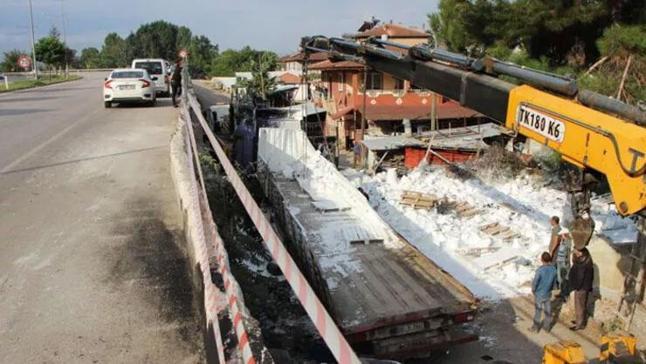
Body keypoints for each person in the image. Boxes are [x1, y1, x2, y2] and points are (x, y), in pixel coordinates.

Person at [530, 252, 558, 333]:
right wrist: (552, 288)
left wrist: (533, 289)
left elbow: (535, 281)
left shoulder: (540, 270)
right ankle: (547, 327)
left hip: (539, 293)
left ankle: (535, 328)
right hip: (548, 293)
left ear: (542, 260)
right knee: (548, 311)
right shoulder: (553, 269)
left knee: (538, 311)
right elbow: (554, 282)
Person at [568, 247, 594, 331]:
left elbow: (580, 277)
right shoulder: (586, 261)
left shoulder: (582, 264)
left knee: (580, 306)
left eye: (575, 251)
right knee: (580, 305)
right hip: (583, 286)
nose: (574, 253)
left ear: (581, 253)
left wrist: (576, 286)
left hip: (581, 287)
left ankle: (579, 325)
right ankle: (580, 321)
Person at [555, 228, 572, 299]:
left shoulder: (568, 241)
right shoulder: (562, 241)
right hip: (559, 261)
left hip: (564, 262)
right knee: (560, 278)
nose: (560, 236)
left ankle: (566, 294)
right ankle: (562, 292)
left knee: (565, 278)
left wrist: (566, 239)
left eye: (561, 235)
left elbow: (569, 249)